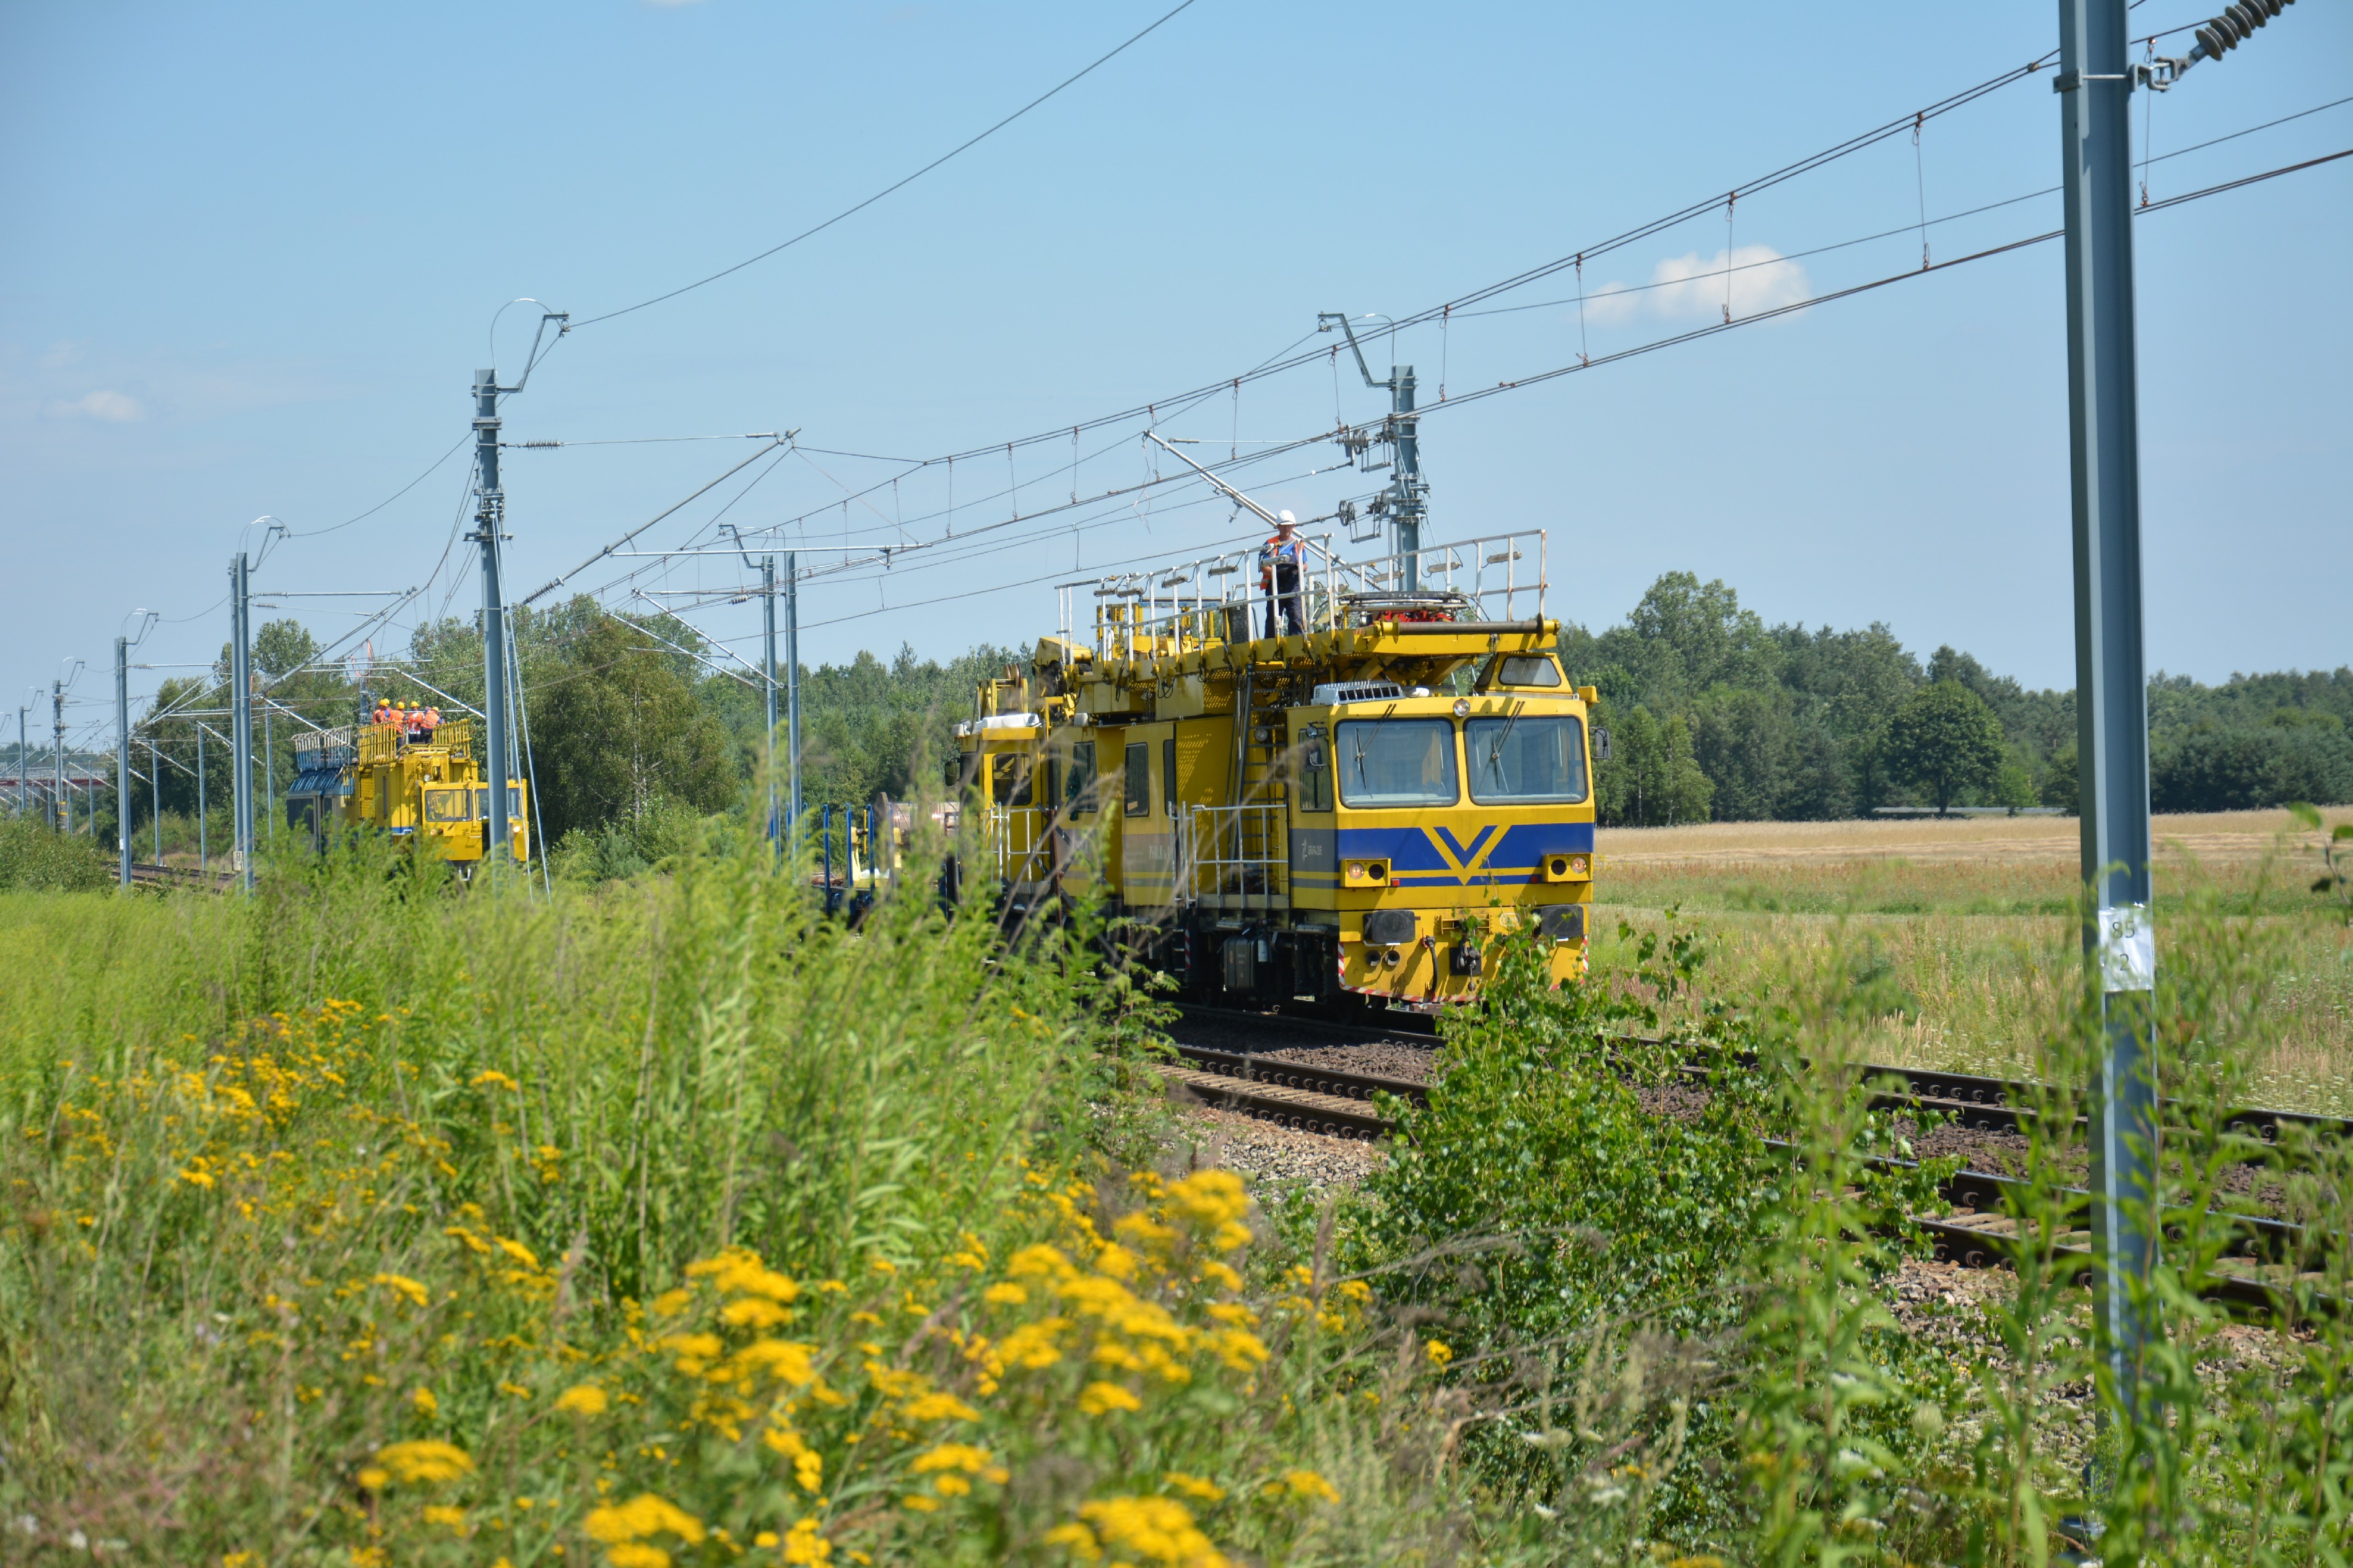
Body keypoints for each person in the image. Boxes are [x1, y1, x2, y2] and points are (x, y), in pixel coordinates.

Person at [1258, 509, 1305, 638]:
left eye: (1289, 525)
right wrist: (1277, 573)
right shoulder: (1270, 544)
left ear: (1294, 526)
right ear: (1278, 527)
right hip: (1275, 586)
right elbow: (1262, 566)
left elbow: (1305, 565)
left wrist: (1296, 568)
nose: (1287, 529)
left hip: (1293, 585)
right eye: (1284, 526)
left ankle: (1297, 643)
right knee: (1273, 619)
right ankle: (1271, 645)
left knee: (1296, 616)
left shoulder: (1298, 544)